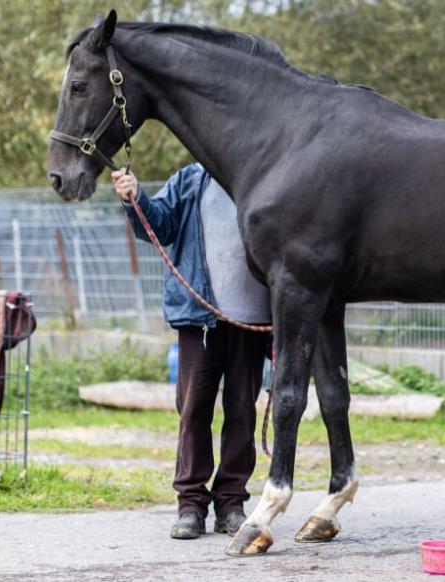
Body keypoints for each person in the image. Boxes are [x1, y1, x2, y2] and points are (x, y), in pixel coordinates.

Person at [113, 164, 271, 540]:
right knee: (193, 410)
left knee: (242, 413)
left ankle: (231, 503)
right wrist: (134, 197)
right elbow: (160, 227)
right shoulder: (189, 179)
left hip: (250, 321)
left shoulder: (261, 174)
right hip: (199, 318)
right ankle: (191, 506)